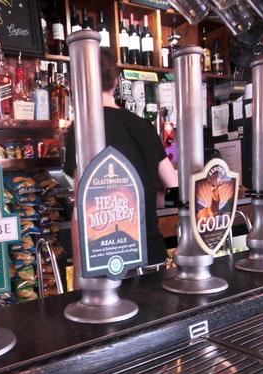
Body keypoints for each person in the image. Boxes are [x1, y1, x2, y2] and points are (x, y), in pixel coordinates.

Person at [64, 48, 178, 267]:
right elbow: (176, 192)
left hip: (109, 262)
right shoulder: (144, 126)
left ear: (78, 82)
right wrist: (144, 196)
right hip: (153, 257)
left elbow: (81, 210)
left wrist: (80, 276)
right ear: (115, 81)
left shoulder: (81, 129)